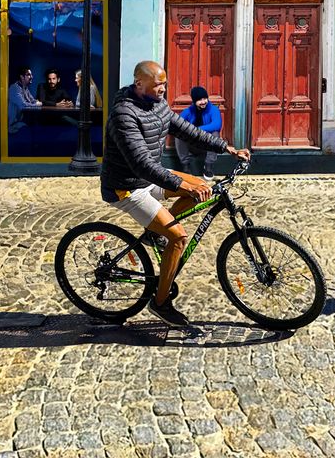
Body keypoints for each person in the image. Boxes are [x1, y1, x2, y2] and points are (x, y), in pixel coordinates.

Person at [100, 60, 250, 329]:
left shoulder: (159, 105)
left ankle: (154, 232)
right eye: (159, 84)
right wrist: (183, 185)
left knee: (203, 190)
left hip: (150, 177)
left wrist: (226, 147)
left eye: (165, 84)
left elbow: (187, 130)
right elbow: (141, 163)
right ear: (139, 84)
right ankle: (160, 303)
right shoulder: (124, 114)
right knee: (178, 237)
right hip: (127, 187)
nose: (163, 88)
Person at [175, 86, 224, 179]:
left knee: (215, 133)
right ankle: (185, 166)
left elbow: (217, 125)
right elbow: (177, 124)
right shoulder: (188, 111)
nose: (203, 102)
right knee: (178, 134)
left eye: (205, 98)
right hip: (192, 145)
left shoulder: (213, 110)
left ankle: (208, 166)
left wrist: (195, 130)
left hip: (207, 146)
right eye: (200, 100)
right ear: (194, 101)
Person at [7, 67, 40, 132]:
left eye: (31, 75)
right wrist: (37, 104)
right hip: (13, 126)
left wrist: (37, 103)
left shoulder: (25, 88)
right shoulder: (14, 88)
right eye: (28, 75)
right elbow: (23, 105)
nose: (31, 77)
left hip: (20, 122)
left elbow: (32, 100)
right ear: (22, 77)